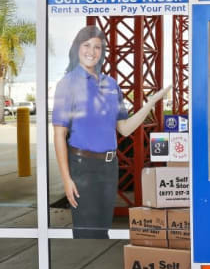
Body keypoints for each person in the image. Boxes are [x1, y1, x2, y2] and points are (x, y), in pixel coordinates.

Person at [53, 25, 170, 239]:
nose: (92, 51)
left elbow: (124, 129)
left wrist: (151, 103)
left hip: (109, 166)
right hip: (82, 167)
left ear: (102, 51)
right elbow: (59, 134)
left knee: (102, 229)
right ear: (77, 48)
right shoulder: (67, 84)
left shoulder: (111, 84)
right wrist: (66, 179)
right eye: (86, 45)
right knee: (87, 232)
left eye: (97, 47)